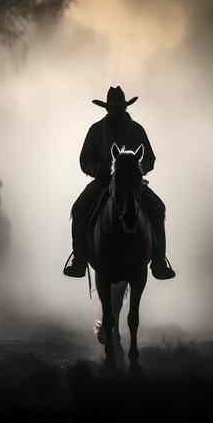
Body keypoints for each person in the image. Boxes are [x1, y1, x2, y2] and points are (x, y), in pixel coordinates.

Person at [63, 86, 176, 280]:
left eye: (118, 108)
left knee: (157, 208)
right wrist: (97, 170)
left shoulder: (136, 130)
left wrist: (136, 172)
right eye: (112, 108)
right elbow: (84, 160)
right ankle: (80, 260)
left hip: (132, 184)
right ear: (107, 109)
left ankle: (158, 261)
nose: (115, 111)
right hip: (103, 182)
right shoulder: (96, 130)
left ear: (124, 108)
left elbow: (149, 158)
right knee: (79, 208)